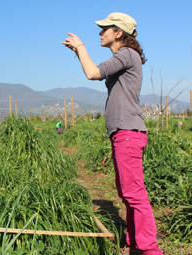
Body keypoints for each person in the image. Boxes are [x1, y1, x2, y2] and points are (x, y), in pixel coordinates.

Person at [61, 13, 163, 255]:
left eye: (105, 28)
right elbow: (96, 71)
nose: (100, 33)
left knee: (134, 195)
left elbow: (93, 73)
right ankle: (136, 243)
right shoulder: (125, 56)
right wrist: (79, 53)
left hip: (128, 132)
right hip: (123, 132)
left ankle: (150, 250)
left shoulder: (126, 54)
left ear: (119, 33)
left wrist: (81, 47)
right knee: (127, 193)